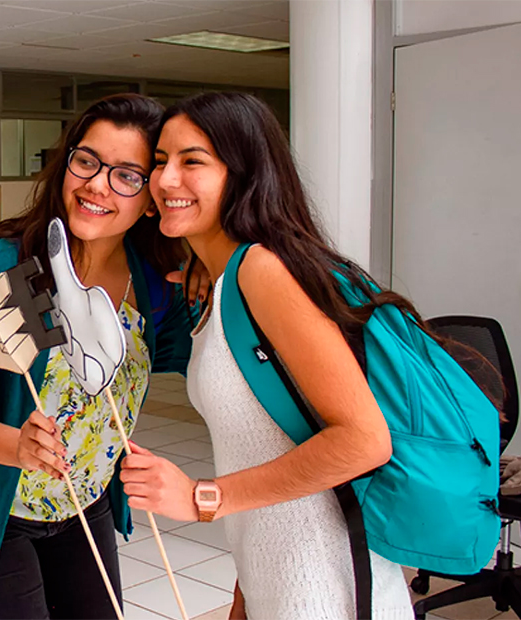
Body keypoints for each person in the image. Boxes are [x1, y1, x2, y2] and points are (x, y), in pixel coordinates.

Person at [0, 94, 198, 619]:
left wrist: (212, 268)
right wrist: (16, 445)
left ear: (151, 197)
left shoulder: (151, 278)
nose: (96, 185)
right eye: (87, 161)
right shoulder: (9, 269)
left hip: (86, 504)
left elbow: (202, 358)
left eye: (127, 175)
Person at [124, 91, 414, 619]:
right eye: (161, 161)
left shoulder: (262, 269)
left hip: (323, 586)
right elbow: (264, 447)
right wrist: (246, 593)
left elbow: (363, 440)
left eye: (193, 161)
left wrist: (200, 498)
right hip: (277, 577)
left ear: (245, 173)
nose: (166, 181)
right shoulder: (224, 280)